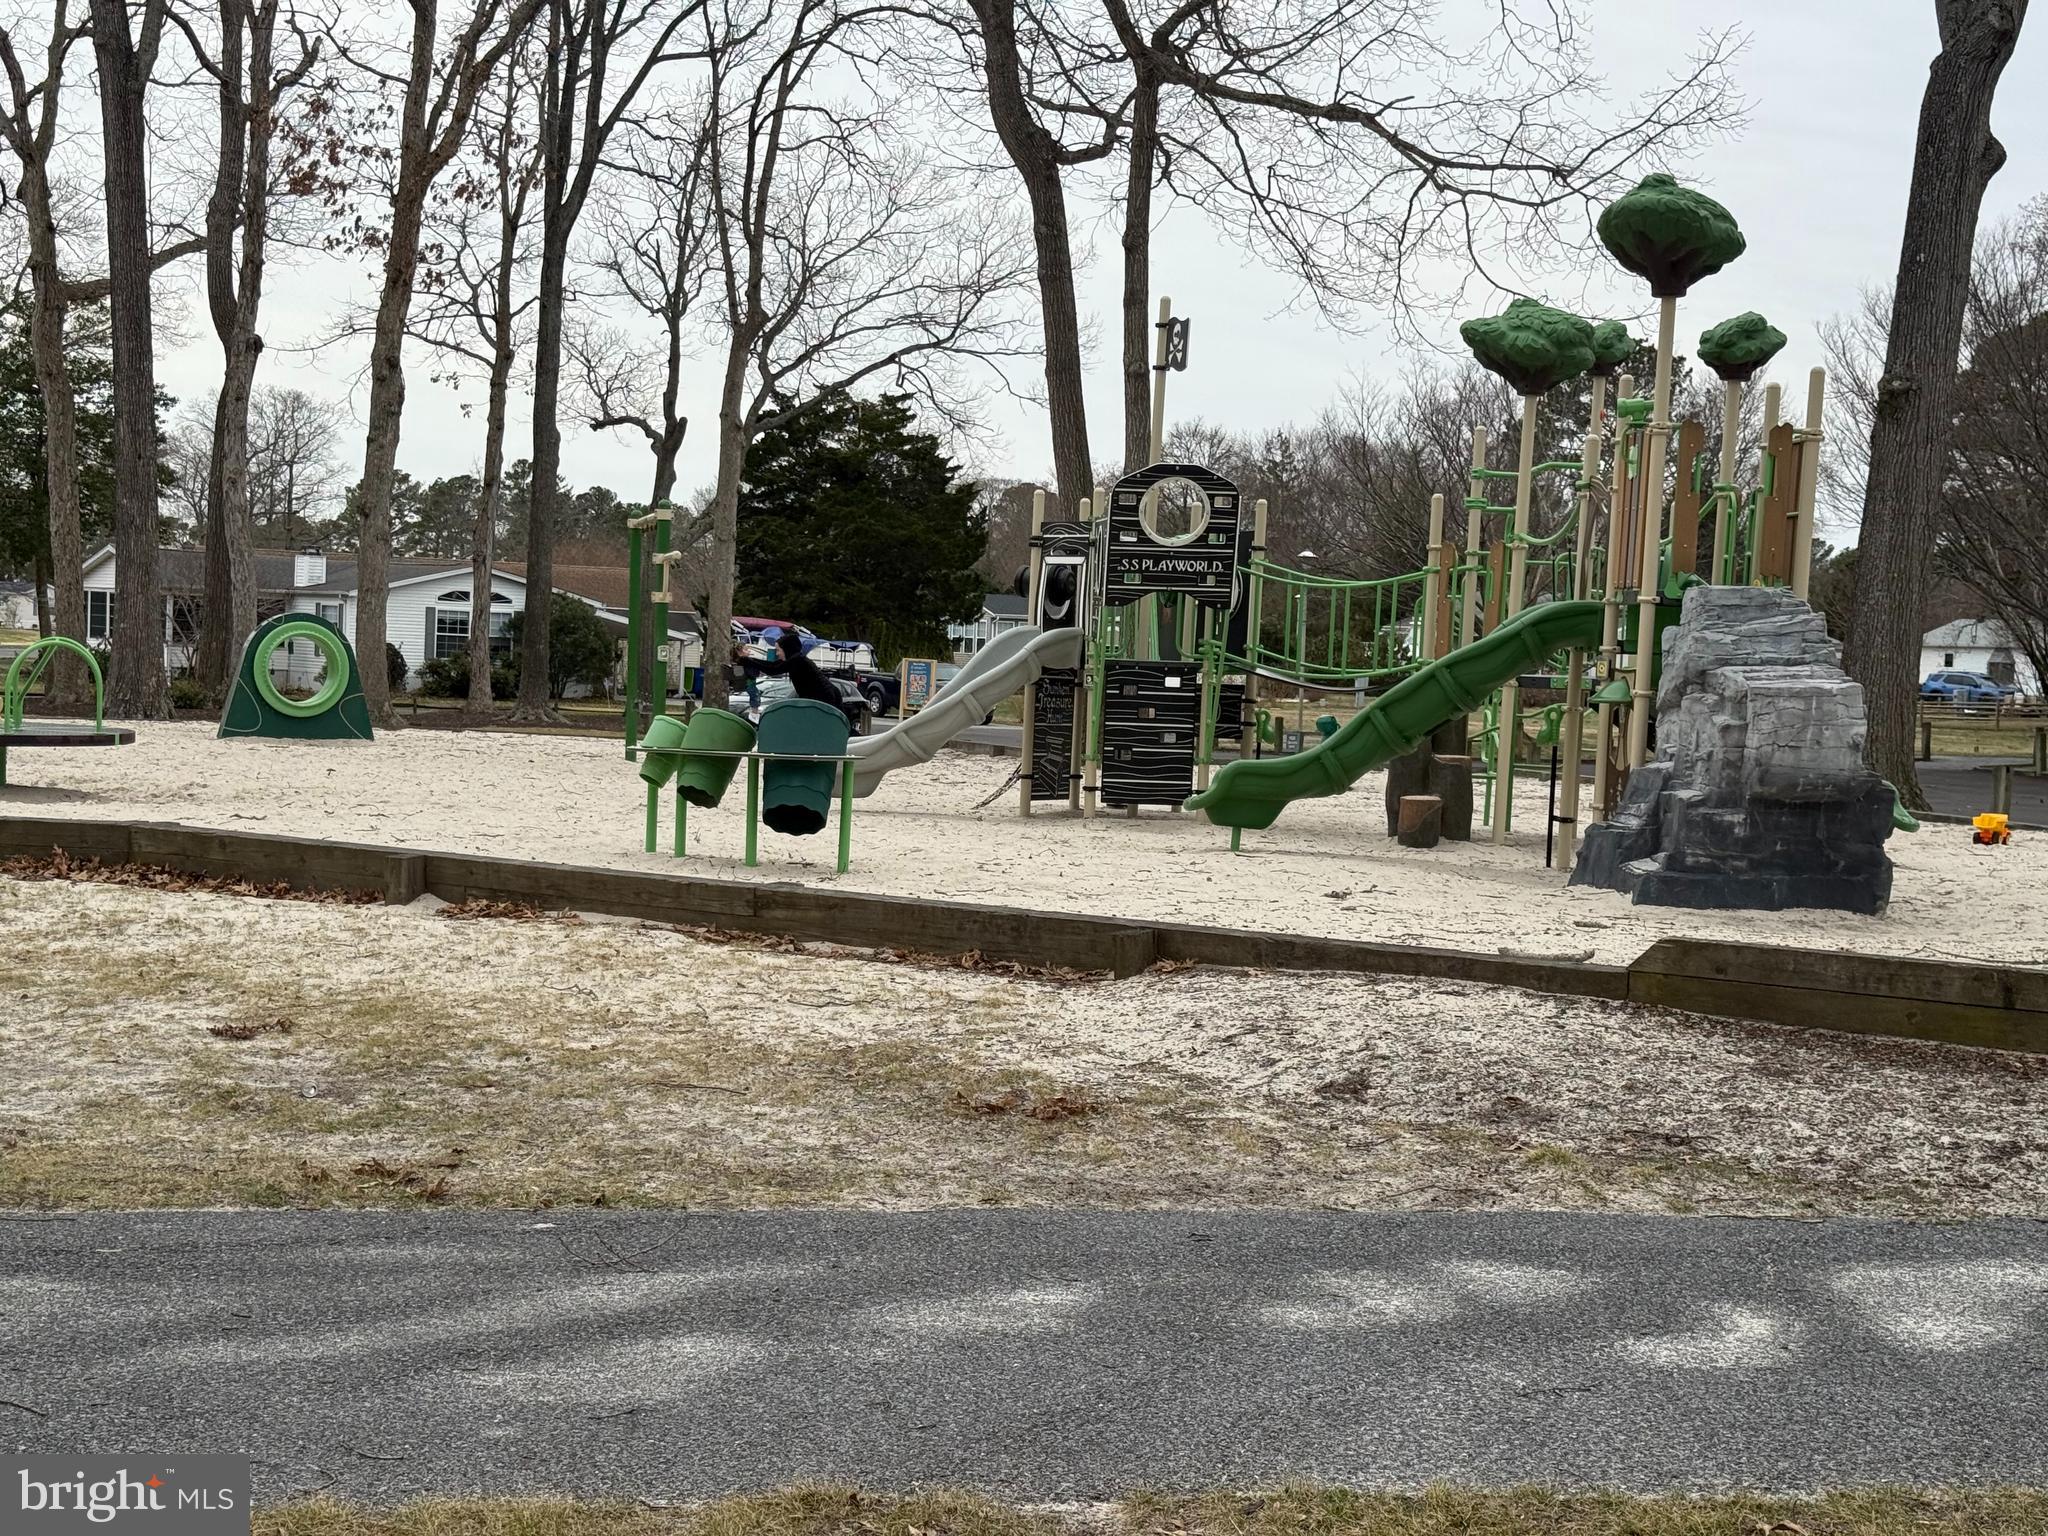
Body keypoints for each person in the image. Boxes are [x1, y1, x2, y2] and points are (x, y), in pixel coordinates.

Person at [744, 630, 838, 705]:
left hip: (824, 699)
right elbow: (772, 665)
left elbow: (772, 670)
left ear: (787, 649)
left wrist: (748, 661)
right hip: (819, 699)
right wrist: (749, 660)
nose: (777, 654)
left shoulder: (798, 661)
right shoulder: (796, 659)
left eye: (778, 650)